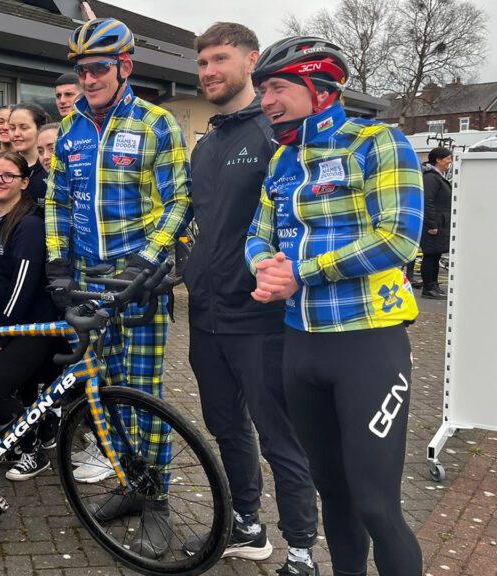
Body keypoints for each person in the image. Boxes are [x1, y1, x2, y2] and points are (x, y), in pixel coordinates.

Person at [246, 36, 423, 576]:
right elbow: (257, 234)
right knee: (335, 498)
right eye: (261, 90)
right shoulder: (282, 159)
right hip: (300, 347)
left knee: (375, 503)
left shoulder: (379, 142)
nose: (265, 101)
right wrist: (263, 268)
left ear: (320, 89)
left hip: (368, 346)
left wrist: (299, 272)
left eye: (277, 87)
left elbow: (399, 239)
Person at [46, 18, 191, 559]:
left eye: (98, 68)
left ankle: (158, 502)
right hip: (88, 282)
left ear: (124, 67)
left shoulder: (156, 123)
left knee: (143, 397)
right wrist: (58, 264)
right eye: (81, 69)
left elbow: (179, 201)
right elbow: (58, 201)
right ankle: (132, 485)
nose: (88, 78)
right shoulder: (69, 130)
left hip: (139, 282)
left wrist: (146, 261)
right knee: (103, 395)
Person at [183, 23, 319, 575]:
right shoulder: (208, 143)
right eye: (202, 63)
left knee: (278, 436)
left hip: (260, 318)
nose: (209, 71)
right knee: (226, 427)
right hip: (205, 315)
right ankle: (248, 525)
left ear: (251, 61)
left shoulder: (277, 133)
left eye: (220, 59)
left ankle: (304, 551)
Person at [0, 152, 60, 480]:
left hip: (32, 327)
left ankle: (33, 451)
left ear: (24, 182)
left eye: (8, 175)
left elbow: (23, 287)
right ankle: (33, 432)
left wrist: (2, 335)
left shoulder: (29, 225)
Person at [420, 147, 452, 299]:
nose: (450, 161)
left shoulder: (438, 176)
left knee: (435, 255)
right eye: (448, 158)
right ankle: (428, 287)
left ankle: (433, 284)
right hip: (433, 225)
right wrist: (432, 224)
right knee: (430, 256)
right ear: (438, 160)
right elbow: (428, 201)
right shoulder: (431, 177)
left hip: (440, 224)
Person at [8, 102, 50, 208]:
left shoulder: (50, 167)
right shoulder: (5, 166)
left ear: (40, 128)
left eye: (24, 128)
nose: (16, 133)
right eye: (12, 128)